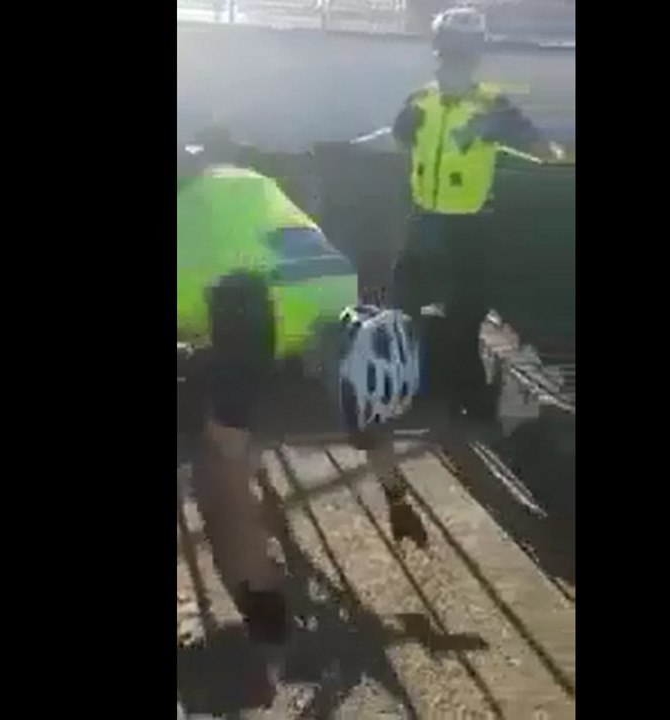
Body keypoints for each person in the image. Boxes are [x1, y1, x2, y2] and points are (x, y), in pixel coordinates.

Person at [177, 142, 428, 648]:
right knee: (227, 447)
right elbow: (366, 408)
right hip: (273, 297)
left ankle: (260, 597)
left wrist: (397, 498)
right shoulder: (245, 188)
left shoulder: (211, 217)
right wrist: (397, 496)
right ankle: (260, 588)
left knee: (226, 443)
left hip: (245, 301)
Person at [390, 6, 560, 421]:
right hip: (429, 221)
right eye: (450, 50)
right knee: (411, 308)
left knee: (462, 317)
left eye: (458, 52)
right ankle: (419, 389)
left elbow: (543, 149)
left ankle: (461, 399)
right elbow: (400, 139)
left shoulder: (489, 106)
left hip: (465, 227)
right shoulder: (422, 101)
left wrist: (504, 135)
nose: (452, 59)